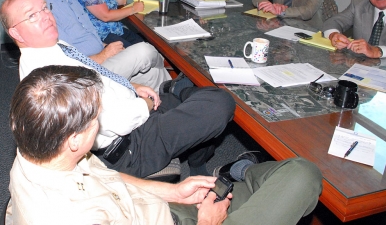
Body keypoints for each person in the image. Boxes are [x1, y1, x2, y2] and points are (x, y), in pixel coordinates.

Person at [7, 64, 322, 224]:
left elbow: (104, 176)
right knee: (303, 175)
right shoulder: (70, 218)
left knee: (276, 179)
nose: (100, 120)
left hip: (155, 209)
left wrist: (173, 191)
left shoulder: (39, 149)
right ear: (74, 138)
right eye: (95, 117)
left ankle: (232, 183)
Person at [0, 0, 236, 178]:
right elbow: (115, 122)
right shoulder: (46, 80)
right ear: (16, 33)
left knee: (200, 94)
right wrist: (143, 103)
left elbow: (96, 73)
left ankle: (180, 102)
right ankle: (178, 94)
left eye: (44, 8)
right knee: (221, 101)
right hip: (132, 147)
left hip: (132, 111)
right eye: (32, 15)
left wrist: (130, 86)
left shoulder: (54, 46)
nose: (46, 16)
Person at [36, 0, 171, 92]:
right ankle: (165, 68)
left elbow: (119, 3)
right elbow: (64, 64)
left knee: (154, 73)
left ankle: (172, 100)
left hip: (102, 52)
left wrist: (103, 46)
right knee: (145, 51)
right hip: (86, 74)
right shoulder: (42, 10)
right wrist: (103, 55)